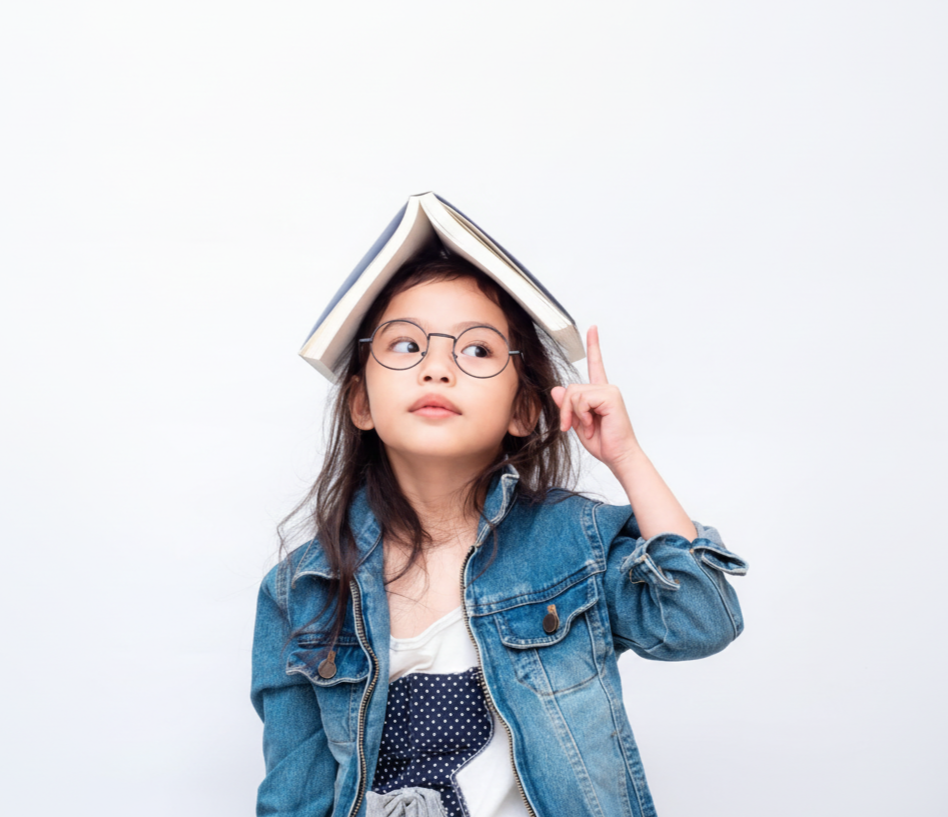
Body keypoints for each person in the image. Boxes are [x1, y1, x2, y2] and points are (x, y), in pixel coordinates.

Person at [250, 244, 748, 817]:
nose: (437, 367)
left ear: (523, 412)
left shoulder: (572, 543)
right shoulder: (301, 590)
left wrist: (627, 456)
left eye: (477, 349)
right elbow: (295, 799)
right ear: (361, 402)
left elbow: (700, 619)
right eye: (407, 345)